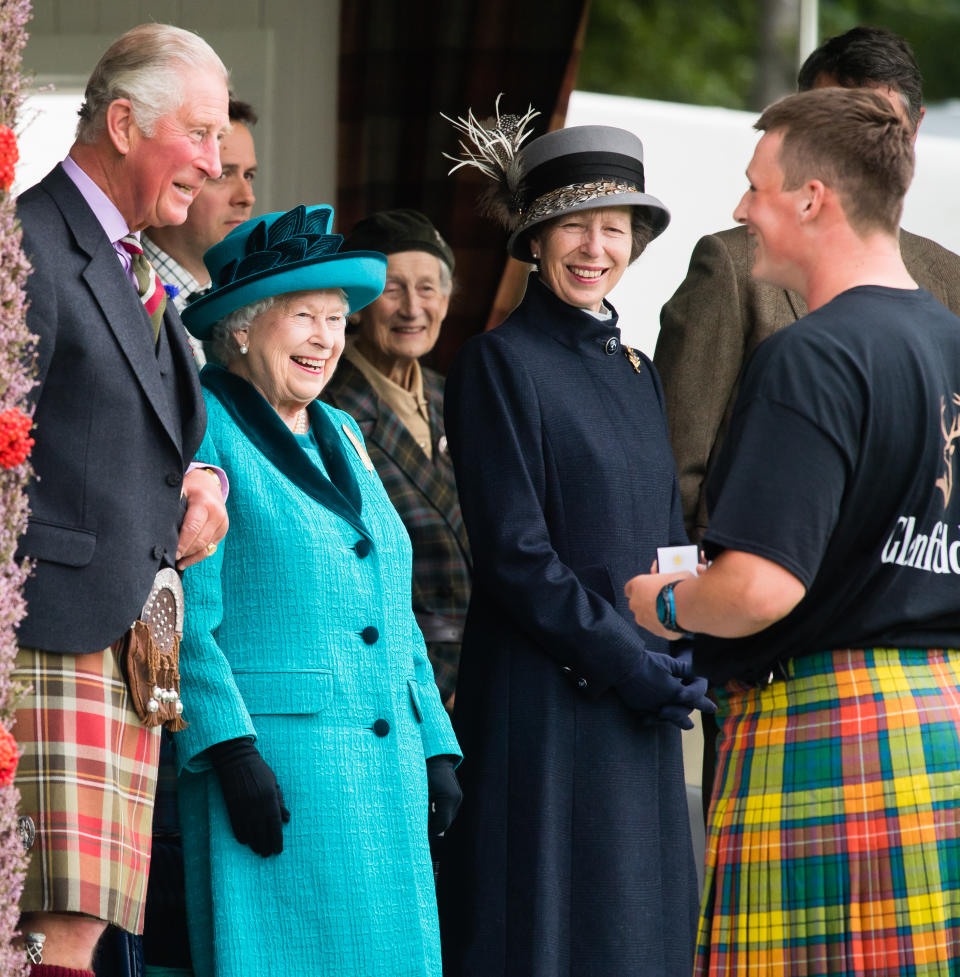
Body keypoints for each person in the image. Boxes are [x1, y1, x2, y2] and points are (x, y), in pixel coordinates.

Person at [627, 86, 960, 976]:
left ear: (813, 197)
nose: (741, 211)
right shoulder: (952, 342)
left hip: (831, 730)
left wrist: (663, 600)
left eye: (756, 188)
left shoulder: (811, 355)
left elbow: (759, 587)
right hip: (943, 718)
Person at [437, 110, 714, 977]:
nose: (597, 248)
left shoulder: (637, 370)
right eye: (575, 227)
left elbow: (668, 536)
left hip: (638, 696)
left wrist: (682, 642)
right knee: (554, 939)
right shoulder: (498, 363)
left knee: (637, 936)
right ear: (532, 238)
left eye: (616, 229)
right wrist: (624, 660)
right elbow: (517, 556)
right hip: (547, 704)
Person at [172, 204, 462, 977]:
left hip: (385, 773)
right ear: (239, 325)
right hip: (279, 776)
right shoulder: (206, 428)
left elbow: (389, 601)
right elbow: (184, 617)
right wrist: (230, 750)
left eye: (336, 319)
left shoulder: (345, 431)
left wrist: (434, 742)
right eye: (304, 316)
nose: (326, 338)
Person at [13, 24, 230, 977]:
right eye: (201, 133)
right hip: (51, 625)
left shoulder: (140, 264)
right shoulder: (28, 242)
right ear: (123, 120)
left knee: (83, 929)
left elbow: (138, 426)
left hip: (133, 640)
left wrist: (199, 477)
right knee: (51, 926)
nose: (215, 164)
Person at [655, 25, 960, 545]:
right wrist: (686, 603)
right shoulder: (730, 264)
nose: (853, 149)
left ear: (913, 132)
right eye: (830, 124)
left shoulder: (949, 279)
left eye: (877, 128)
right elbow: (671, 470)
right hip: (740, 590)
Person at [322, 209, 471, 710]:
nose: (413, 308)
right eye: (393, 289)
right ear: (358, 306)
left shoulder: (459, 400)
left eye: (427, 289)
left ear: (446, 301)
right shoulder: (328, 408)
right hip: (394, 681)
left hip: (481, 673)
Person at [144, 97, 258, 365]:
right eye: (222, 174)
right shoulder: (122, 287)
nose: (247, 197)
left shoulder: (253, 304)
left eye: (249, 176)